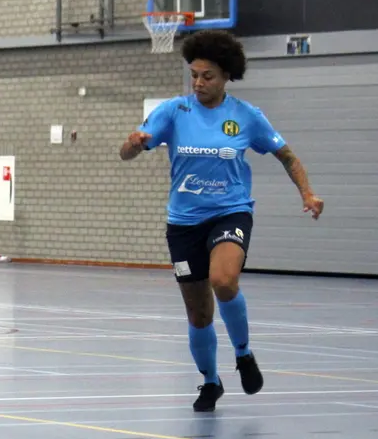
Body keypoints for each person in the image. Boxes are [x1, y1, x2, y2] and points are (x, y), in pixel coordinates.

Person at [120, 30, 324, 412]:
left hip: (230, 211)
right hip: (183, 222)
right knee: (198, 313)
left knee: (224, 280)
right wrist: (132, 145)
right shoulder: (173, 112)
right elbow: (127, 152)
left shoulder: (246, 116)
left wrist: (307, 194)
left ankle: (243, 353)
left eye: (207, 76)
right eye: (194, 75)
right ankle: (211, 381)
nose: (198, 83)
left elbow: (288, 156)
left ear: (226, 75)